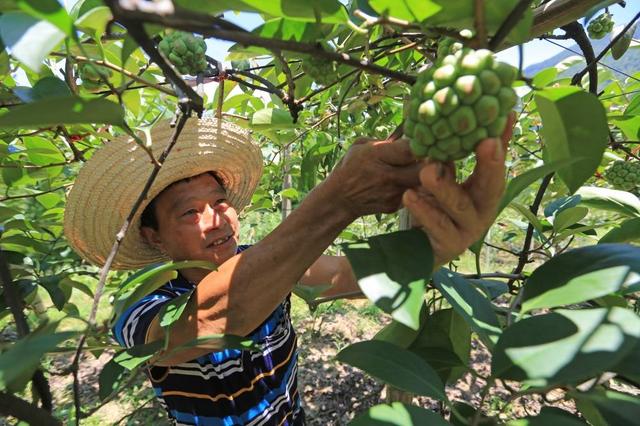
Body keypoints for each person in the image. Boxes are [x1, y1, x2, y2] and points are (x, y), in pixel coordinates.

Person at [64, 115, 512, 425]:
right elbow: (211, 319)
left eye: (220, 202)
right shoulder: (140, 310)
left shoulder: (267, 265)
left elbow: (354, 275)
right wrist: (339, 199)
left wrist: (434, 247)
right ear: (154, 238)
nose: (216, 219)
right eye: (189, 212)